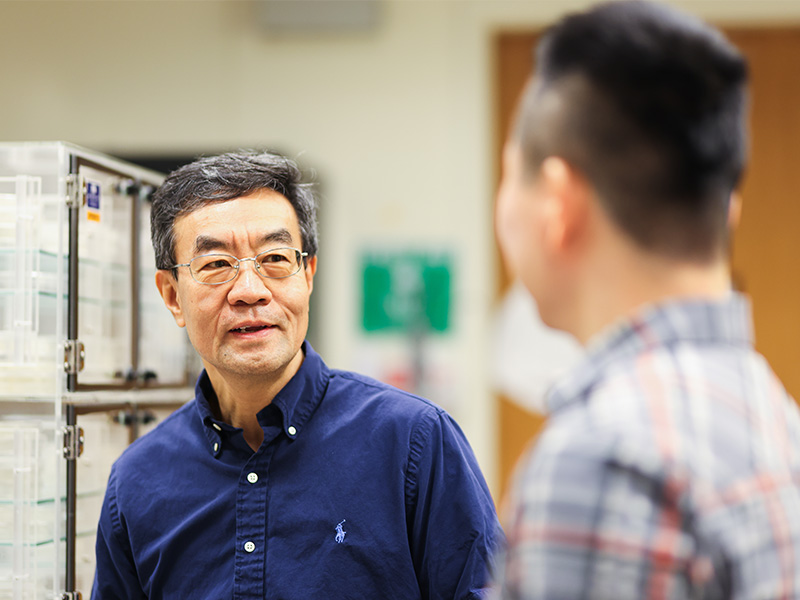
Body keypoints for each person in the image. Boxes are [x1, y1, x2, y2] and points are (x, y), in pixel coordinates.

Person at [92, 151, 502, 599]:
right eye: (215, 265)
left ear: (307, 274)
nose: (250, 291)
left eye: (275, 258)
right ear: (172, 296)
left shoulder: (414, 443)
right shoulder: (137, 481)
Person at [492, 1, 800, 598]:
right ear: (727, 210)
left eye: (511, 173)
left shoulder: (603, 458)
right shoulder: (771, 413)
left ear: (558, 203)